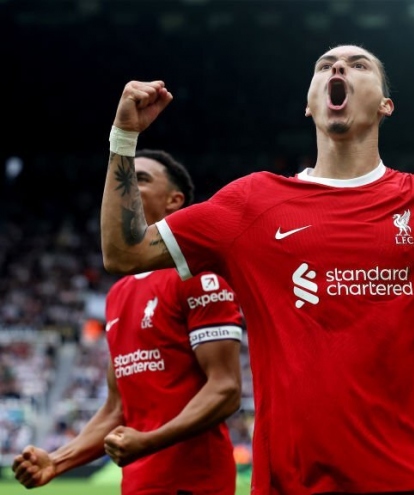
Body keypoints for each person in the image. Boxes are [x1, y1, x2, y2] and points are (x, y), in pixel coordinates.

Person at [99, 44, 414, 495]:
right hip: (289, 483)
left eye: (359, 65)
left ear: (386, 105)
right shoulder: (250, 203)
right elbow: (125, 253)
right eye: (324, 66)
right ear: (309, 105)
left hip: (411, 480)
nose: (338, 67)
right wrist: (124, 137)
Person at [12, 149, 244, 494]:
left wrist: (150, 441)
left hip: (194, 483)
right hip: (137, 483)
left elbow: (225, 389)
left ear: (174, 201)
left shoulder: (198, 276)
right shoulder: (117, 294)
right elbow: (116, 408)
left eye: (141, 179)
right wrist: (57, 461)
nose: (126, 185)